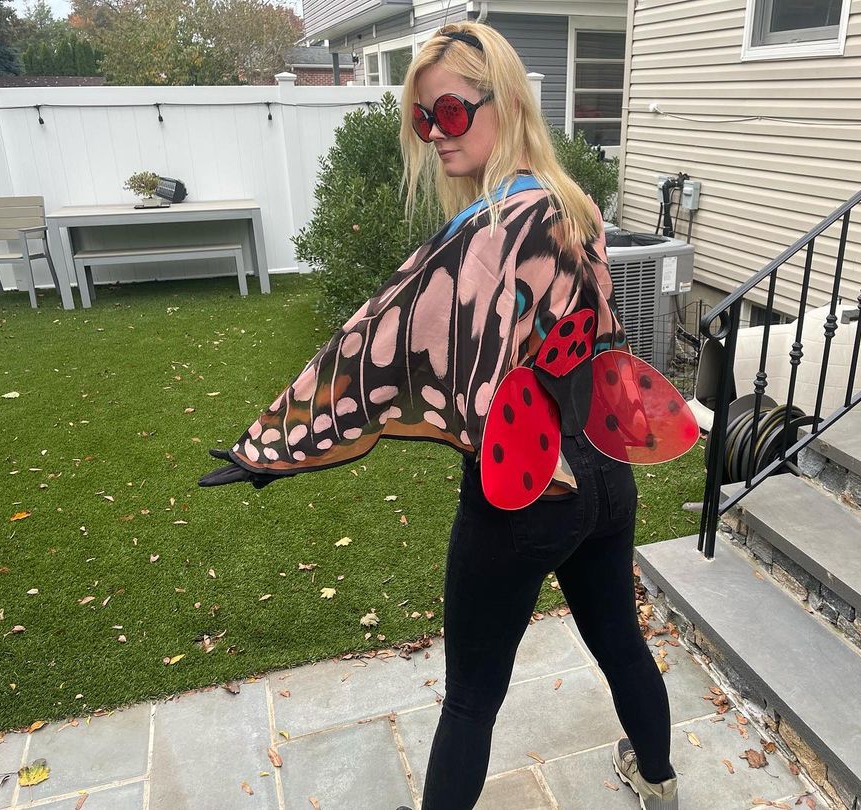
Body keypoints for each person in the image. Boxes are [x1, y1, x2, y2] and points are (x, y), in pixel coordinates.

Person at [199, 21, 684, 810]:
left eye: (452, 112)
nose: (435, 134)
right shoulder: (577, 206)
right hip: (603, 475)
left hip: (523, 496)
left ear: (506, 104)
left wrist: (275, 444)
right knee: (622, 644)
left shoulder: (484, 234)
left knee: (470, 701)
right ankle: (660, 784)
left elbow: (370, 345)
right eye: (424, 119)